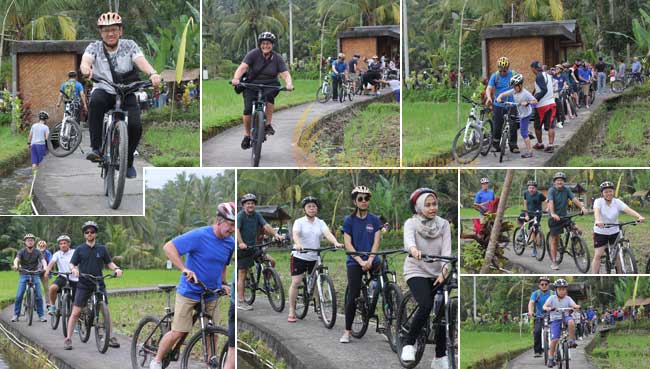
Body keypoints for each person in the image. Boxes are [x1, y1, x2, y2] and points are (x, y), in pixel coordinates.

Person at [149, 203, 236, 369]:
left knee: (213, 333)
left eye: (234, 225)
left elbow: (223, 265)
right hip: (189, 292)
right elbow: (168, 247)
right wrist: (184, 268)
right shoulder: (199, 235)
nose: (232, 229)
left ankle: (211, 363)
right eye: (230, 224)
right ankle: (157, 360)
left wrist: (224, 283)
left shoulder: (229, 243)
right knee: (179, 332)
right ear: (219, 221)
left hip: (211, 293)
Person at [81, 12, 161, 179]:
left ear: (120, 31)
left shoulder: (129, 45)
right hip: (103, 89)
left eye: (114, 29)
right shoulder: (94, 47)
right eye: (106, 30)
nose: (110, 34)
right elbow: (86, 61)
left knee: (135, 126)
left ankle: (128, 160)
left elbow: (141, 61)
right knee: (95, 102)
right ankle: (96, 148)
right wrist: (86, 69)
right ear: (100, 33)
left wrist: (153, 73)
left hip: (126, 92)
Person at [400, 188, 452, 369]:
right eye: (427, 205)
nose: (432, 208)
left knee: (444, 311)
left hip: (439, 272)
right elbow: (409, 243)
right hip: (416, 269)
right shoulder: (411, 224)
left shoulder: (444, 224)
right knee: (426, 304)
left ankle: (440, 356)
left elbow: (447, 253)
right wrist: (414, 251)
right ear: (419, 207)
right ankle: (408, 343)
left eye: (434, 204)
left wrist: (445, 271)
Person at [64, 221, 122, 350]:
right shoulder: (80, 249)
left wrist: (116, 269)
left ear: (95, 234)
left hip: (99, 283)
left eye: (92, 232)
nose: (89, 234)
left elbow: (109, 263)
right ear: (84, 235)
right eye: (87, 232)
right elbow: (72, 264)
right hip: (84, 283)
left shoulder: (102, 249)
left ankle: (111, 336)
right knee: (76, 312)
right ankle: (68, 338)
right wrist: (74, 269)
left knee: (105, 310)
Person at [231, 32, 294, 150]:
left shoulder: (277, 58)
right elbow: (242, 67)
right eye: (263, 43)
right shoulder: (253, 54)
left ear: (272, 45)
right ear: (260, 44)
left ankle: (267, 124)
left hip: (270, 85)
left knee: (270, 98)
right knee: (248, 109)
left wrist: (289, 83)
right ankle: (247, 135)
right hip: (251, 85)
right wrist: (236, 78)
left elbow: (285, 74)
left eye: (268, 43)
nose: (266, 46)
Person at [287, 197, 343, 323]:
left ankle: (320, 308)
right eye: (309, 207)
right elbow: (295, 234)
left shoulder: (320, 222)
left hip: (315, 256)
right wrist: (298, 244)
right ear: (305, 209)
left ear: (317, 209)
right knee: (296, 282)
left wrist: (335, 242)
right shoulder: (299, 222)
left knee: (318, 282)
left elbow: (327, 233)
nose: (312, 209)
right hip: (299, 255)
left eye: (314, 207)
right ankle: (291, 309)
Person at [340, 185, 382, 344]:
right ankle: (347, 331)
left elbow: (376, 242)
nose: (364, 201)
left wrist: (370, 260)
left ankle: (389, 321)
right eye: (360, 199)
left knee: (387, 281)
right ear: (355, 201)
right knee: (353, 294)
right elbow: (348, 244)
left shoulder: (375, 219)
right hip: (355, 261)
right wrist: (361, 261)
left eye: (367, 198)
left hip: (372, 259)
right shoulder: (349, 220)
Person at [236, 193, 285, 310]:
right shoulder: (240, 216)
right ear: (243, 206)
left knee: (272, 261)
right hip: (243, 249)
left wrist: (276, 234)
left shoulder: (257, 215)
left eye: (252, 203)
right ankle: (240, 301)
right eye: (248, 203)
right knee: (242, 274)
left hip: (254, 247)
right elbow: (237, 230)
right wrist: (241, 243)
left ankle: (266, 282)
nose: (250, 205)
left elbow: (266, 225)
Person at [591, 181, 645, 273]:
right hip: (601, 231)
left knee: (617, 255)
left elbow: (628, 209)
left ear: (613, 192)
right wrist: (598, 220)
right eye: (606, 192)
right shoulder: (598, 201)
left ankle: (620, 273)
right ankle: (594, 274)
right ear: (602, 193)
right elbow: (596, 211)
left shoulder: (617, 202)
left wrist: (638, 216)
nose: (609, 193)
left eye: (610, 191)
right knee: (598, 255)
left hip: (614, 231)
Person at [547, 172, 588, 270]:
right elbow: (551, 202)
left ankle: (575, 247)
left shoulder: (567, 190)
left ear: (564, 182)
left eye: (561, 180)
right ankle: (554, 261)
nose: (559, 182)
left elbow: (574, 199)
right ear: (554, 182)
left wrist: (582, 207)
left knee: (578, 230)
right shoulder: (551, 190)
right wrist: (553, 213)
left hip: (565, 217)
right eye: (557, 180)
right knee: (555, 240)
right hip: (554, 218)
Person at [496, 73, 537, 158]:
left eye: (515, 86)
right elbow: (504, 94)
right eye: (513, 87)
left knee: (523, 133)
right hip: (520, 112)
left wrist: (527, 102)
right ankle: (527, 130)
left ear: (521, 85)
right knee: (515, 123)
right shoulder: (514, 91)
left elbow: (535, 101)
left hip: (525, 114)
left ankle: (530, 152)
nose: (514, 88)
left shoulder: (525, 93)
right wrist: (499, 97)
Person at [543, 279, 580, 368]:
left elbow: (574, 305)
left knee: (571, 322)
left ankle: (571, 340)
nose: (562, 291)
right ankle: (551, 358)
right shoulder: (552, 298)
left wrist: (576, 306)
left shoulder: (568, 298)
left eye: (564, 289)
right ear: (556, 290)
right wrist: (548, 308)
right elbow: (544, 306)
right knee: (555, 339)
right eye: (560, 289)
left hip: (565, 317)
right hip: (555, 320)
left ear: (566, 290)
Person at [485, 56, 519, 153]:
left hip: (511, 103)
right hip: (498, 104)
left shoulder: (513, 74)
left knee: (513, 124)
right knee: (497, 125)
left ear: (508, 68)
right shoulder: (495, 76)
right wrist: (489, 97)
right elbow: (489, 88)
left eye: (505, 70)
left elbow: (520, 87)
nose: (503, 72)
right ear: (498, 68)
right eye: (501, 70)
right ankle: (496, 145)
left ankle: (513, 145)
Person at [11, 234, 48, 322]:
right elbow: (16, 259)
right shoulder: (22, 251)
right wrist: (16, 265)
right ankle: (16, 315)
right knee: (19, 295)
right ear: (25, 242)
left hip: (35, 274)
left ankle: (41, 315)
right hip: (24, 274)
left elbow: (43, 260)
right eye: (28, 240)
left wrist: (45, 267)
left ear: (34, 242)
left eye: (31, 240)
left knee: (39, 295)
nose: (30, 241)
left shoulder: (37, 252)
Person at [44, 235, 78, 316]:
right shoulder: (57, 254)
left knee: (76, 302)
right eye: (61, 243)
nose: (63, 245)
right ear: (59, 245)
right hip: (62, 277)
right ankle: (52, 306)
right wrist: (47, 271)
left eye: (65, 243)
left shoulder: (74, 252)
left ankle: (77, 323)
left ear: (68, 244)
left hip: (75, 278)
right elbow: (51, 263)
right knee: (52, 288)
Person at [530, 60, 557, 153]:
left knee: (537, 126)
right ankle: (550, 145)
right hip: (551, 102)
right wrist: (533, 95)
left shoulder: (538, 76)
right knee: (550, 125)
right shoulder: (547, 75)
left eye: (531, 69)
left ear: (533, 69)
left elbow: (543, 90)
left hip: (542, 105)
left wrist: (535, 99)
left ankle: (541, 143)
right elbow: (540, 88)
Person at [518, 180, 547, 257]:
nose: (531, 189)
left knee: (534, 232)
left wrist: (547, 209)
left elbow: (547, 201)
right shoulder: (526, 193)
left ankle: (534, 249)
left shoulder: (540, 195)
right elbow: (525, 204)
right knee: (519, 218)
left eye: (533, 188)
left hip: (537, 214)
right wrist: (526, 214)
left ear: (536, 188)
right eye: (530, 188)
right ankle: (521, 232)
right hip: (528, 212)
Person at [528, 276, 554, 358]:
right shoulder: (536, 293)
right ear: (539, 285)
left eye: (546, 284)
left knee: (555, 332)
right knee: (537, 332)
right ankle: (538, 351)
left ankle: (555, 349)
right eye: (542, 284)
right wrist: (531, 312)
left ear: (548, 285)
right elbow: (531, 303)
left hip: (551, 316)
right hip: (539, 316)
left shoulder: (552, 293)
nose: (544, 286)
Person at [36, 240, 52, 308]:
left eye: (43, 246)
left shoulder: (48, 253)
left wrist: (48, 271)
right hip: (35, 271)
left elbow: (51, 261)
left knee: (47, 288)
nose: (41, 247)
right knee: (34, 286)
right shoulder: (34, 252)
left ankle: (48, 303)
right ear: (37, 246)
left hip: (44, 271)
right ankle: (31, 299)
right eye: (40, 246)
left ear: (45, 246)